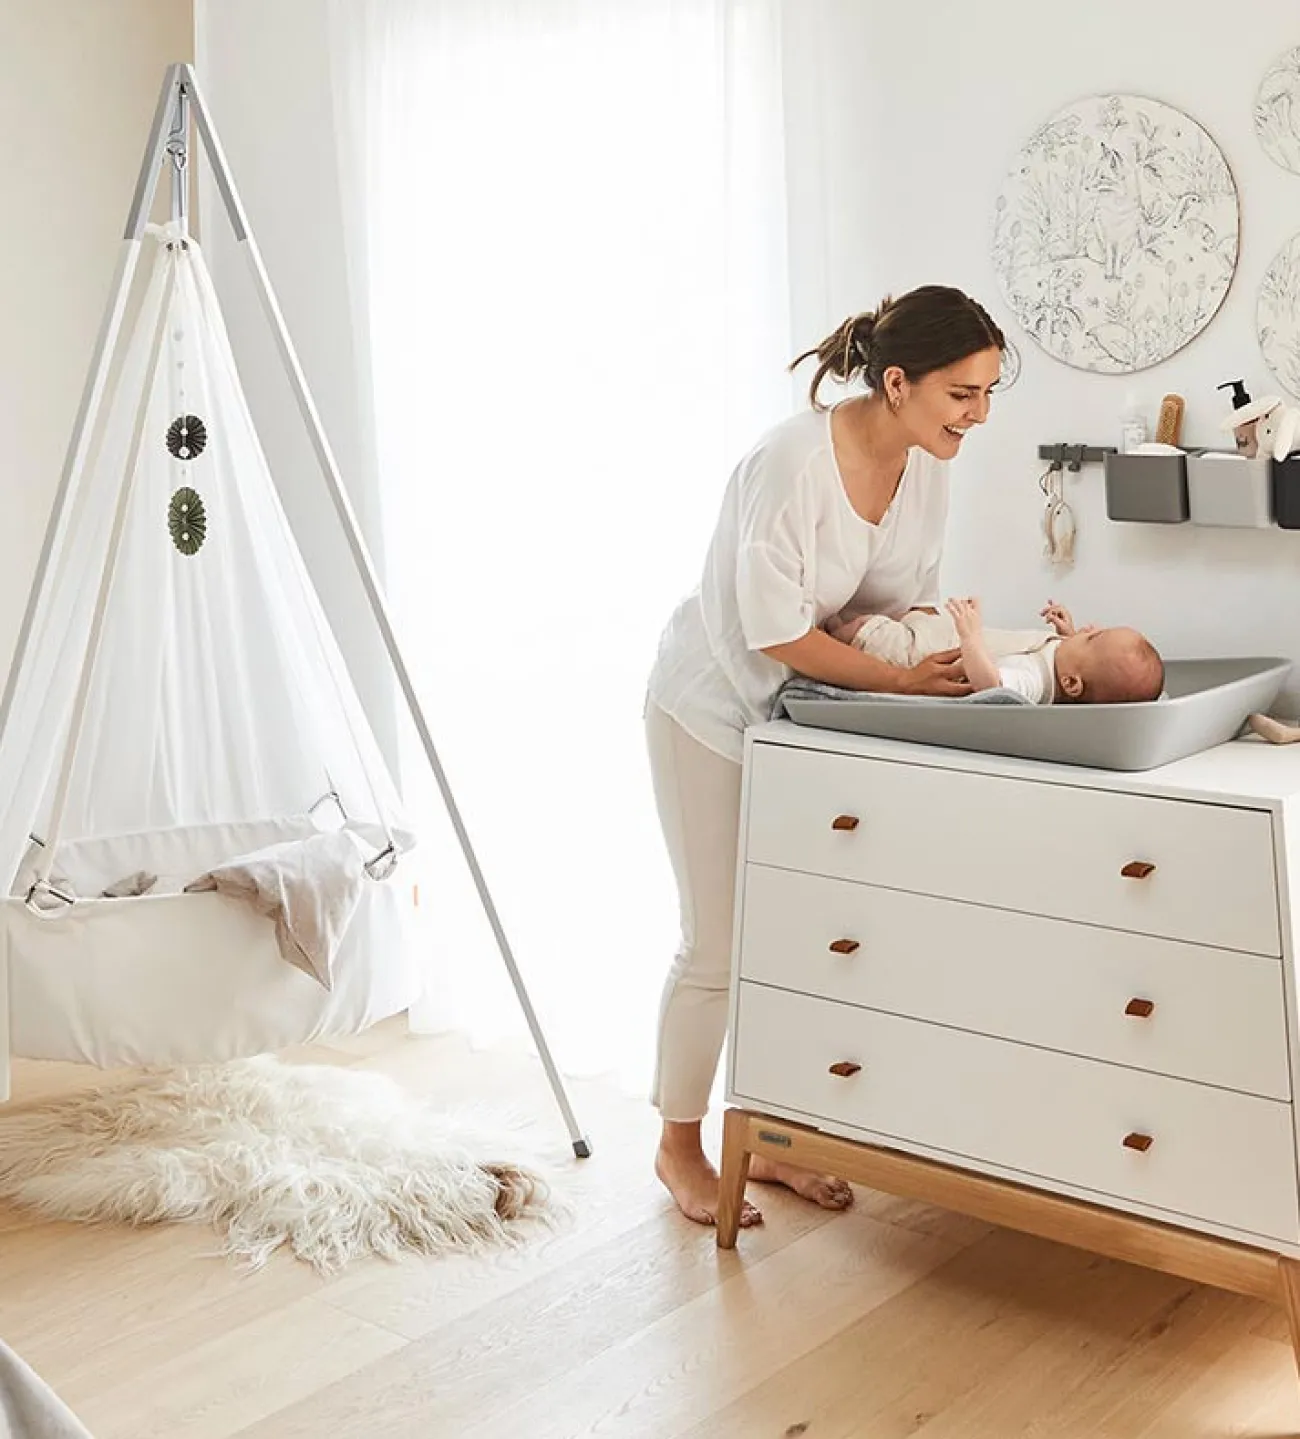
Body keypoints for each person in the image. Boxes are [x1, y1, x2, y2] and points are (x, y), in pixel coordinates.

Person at [644, 284, 1006, 1227]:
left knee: (805, 938)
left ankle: (770, 1138)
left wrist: (939, 659)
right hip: (713, 707)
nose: (978, 414)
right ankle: (679, 1147)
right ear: (898, 383)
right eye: (962, 393)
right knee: (718, 943)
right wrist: (898, 682)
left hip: (806, 716)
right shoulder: (792, 463)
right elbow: (776, 633)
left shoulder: (927, 466)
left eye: (987, 393)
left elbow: (894, 603)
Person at [830, 597, 1165, 705]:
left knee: (864, 629)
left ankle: (827, 634)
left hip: (924, 658)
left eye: (1093, 638)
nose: (1090, 629)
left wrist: (971, 637)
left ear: (1071, 683)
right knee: (920, 609)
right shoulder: (1066, 668)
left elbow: (991, 686)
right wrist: (1069, 634)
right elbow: (1072, 661)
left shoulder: (1033, 682)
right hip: (941, 636)